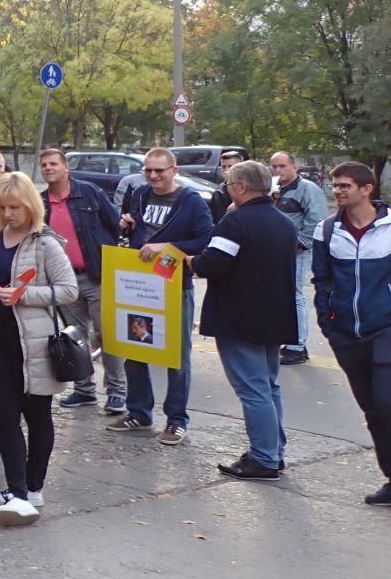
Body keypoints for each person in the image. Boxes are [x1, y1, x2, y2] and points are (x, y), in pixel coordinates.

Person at [0, 173, 78, 526]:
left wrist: (24, 295)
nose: (8, 213)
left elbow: (68, 290)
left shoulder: (46, 244)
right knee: (3, 415)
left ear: (30, 205)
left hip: (34, 344)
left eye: (14, 207)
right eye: (2, 207)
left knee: (37, 415)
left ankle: (32, 487)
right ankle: (16, 491)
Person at [194, 160, 297, 480]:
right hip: (274, 316)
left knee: (253, 390)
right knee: (269, 386)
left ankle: (264, 458)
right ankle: (273, 451)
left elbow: (211, 264)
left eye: (228, 184)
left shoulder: (235, 222)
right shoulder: (283, 222)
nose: (226, 190)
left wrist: (188, 259)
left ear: (240, 187)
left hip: (239, 317)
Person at [108, 148, 214, 444]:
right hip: (139, 284)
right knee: (135, 348)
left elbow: (205, 240)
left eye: (160, 171)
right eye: (149, 171)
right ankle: (139, 413)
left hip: (173, 287)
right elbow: (136, 232)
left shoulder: (191, 201)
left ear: (174, 170)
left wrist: (166, 246)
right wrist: (129, 227)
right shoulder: (139, 193)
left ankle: (177, 420)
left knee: (176, 357)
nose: (153, 176)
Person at [312, 163, 391, 507]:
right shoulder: (327, 230)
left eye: (345, 185)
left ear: (367, 189)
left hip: (388, 327)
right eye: (335, 185)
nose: (338, 191)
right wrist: (328, 323)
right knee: (372, 410)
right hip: (346, 333)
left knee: (389, 403)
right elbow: (322, 281)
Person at [39, 148, 126, 414]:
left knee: (107, 334)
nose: (48, 168)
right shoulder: (40, 201)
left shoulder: (89, 193)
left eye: (53, 163)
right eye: (44, 165)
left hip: (95, 275)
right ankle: (84, 391)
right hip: (64, 281)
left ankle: (117, 393)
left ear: (66, 167)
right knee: (75, 337)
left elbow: (115, 226)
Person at [272, 151, 328, 365]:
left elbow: (317, 220)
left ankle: (297, 345)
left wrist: (300, 244)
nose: (278, 170)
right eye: (274, 166)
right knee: (280, 296)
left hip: (297, 252)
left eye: (282, 166)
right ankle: (286, 339)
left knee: (294, 295)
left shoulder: (307, 189)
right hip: (276, 251)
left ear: (294, 167)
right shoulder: (275, 190)